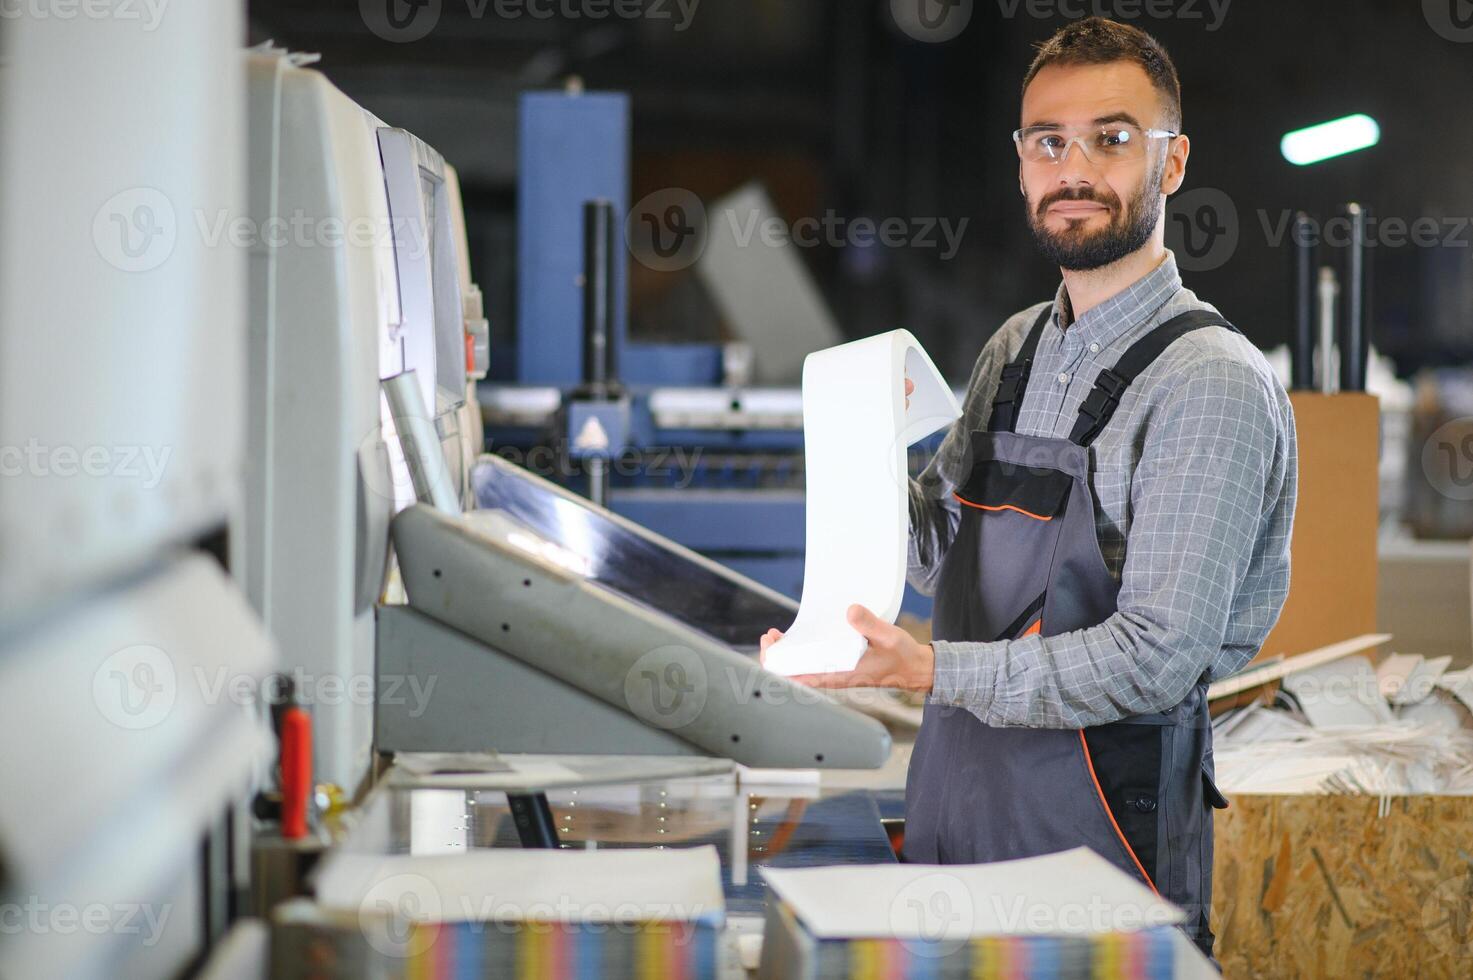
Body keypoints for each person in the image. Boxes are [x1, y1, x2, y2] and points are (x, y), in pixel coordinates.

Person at [760, 17, 1297, 957]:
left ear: (1170, 165)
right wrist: (864, 440)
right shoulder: (1016, 347)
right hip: (956, 814)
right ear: (1020, 165)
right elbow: (934, 555)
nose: (1074, 167)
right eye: (1049, 141)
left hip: (1099, 862)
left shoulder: (1206, 382)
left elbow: (1155, 659)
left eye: (1111, 138)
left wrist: (932, 671)